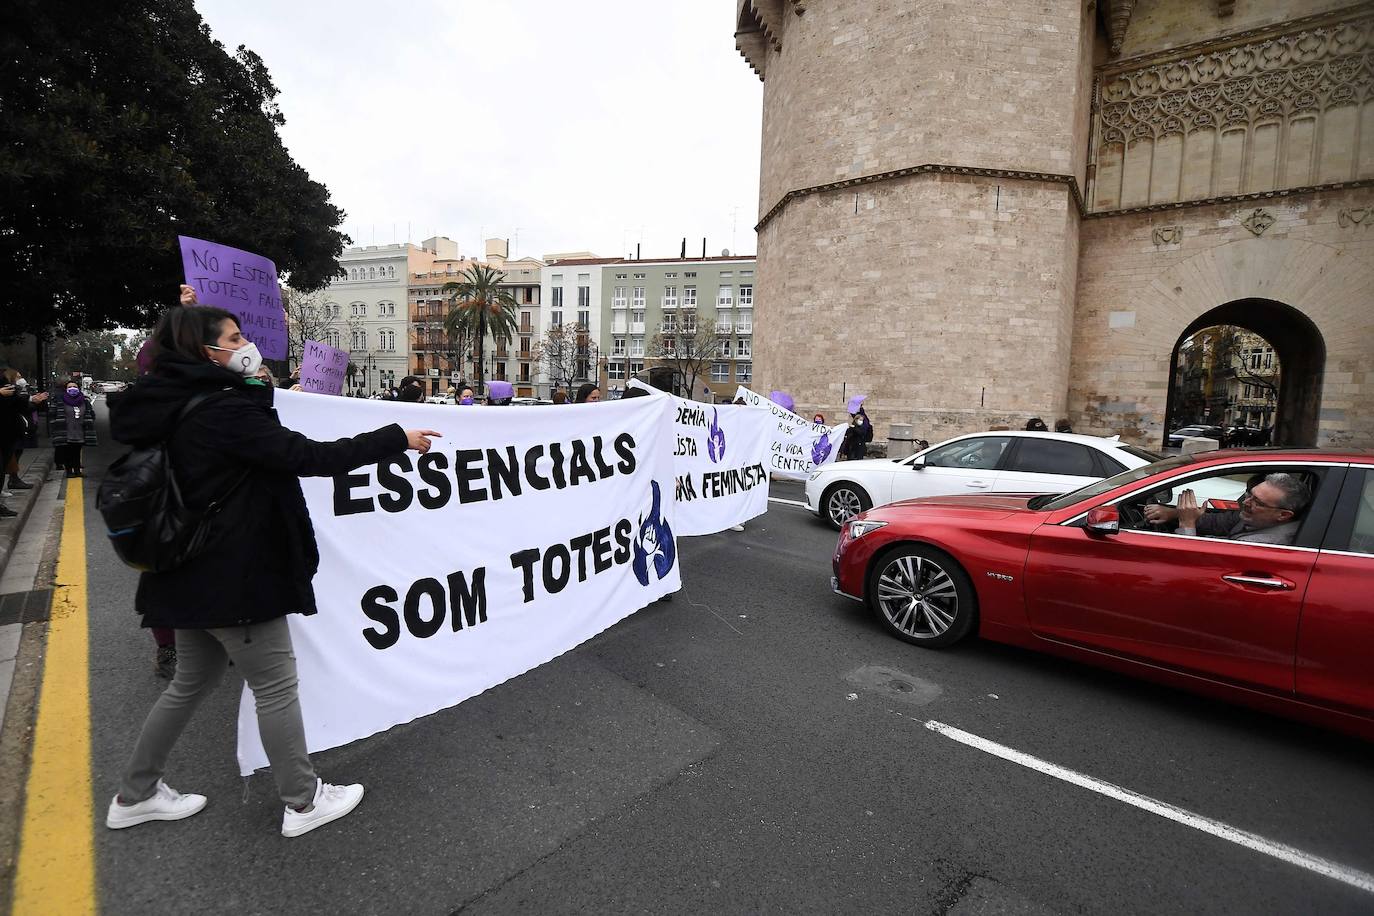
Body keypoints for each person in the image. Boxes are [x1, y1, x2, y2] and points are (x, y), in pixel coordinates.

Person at [104, 289, 441, 838]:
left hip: (187, 571)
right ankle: (303, 803)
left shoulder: (175, 403)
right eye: (235, 339)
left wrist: (253, 389)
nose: (247, 345)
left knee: (189, 683)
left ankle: (135, 793)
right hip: (233, 576)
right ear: (207, 353)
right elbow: (307, 457)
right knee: (277, 686)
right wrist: (394, 438)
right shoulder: (222, 410)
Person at [1142, 473, 1310, 546]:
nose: (1246, 502)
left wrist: (1187, 524)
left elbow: (1195, 569)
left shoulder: (1262, 544)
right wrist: (1173, 513)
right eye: (1249, 494)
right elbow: (1219, 522)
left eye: (1257, 501)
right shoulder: (1259, 517)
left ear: (1283, 515)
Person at [49, 378, 98, 478]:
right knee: (67, 452)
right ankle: (69, 471)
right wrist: (55, 426)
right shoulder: (60, 400)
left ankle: (77, 471)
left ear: (79, 389)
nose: (72, 389)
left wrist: (88, 425)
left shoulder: (84, 401)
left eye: (75, 387)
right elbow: (52, 414)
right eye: (70, 387)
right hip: (65, 431)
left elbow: (91, 415)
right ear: (65, 389)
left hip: (80, 431)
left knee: (77, 452)